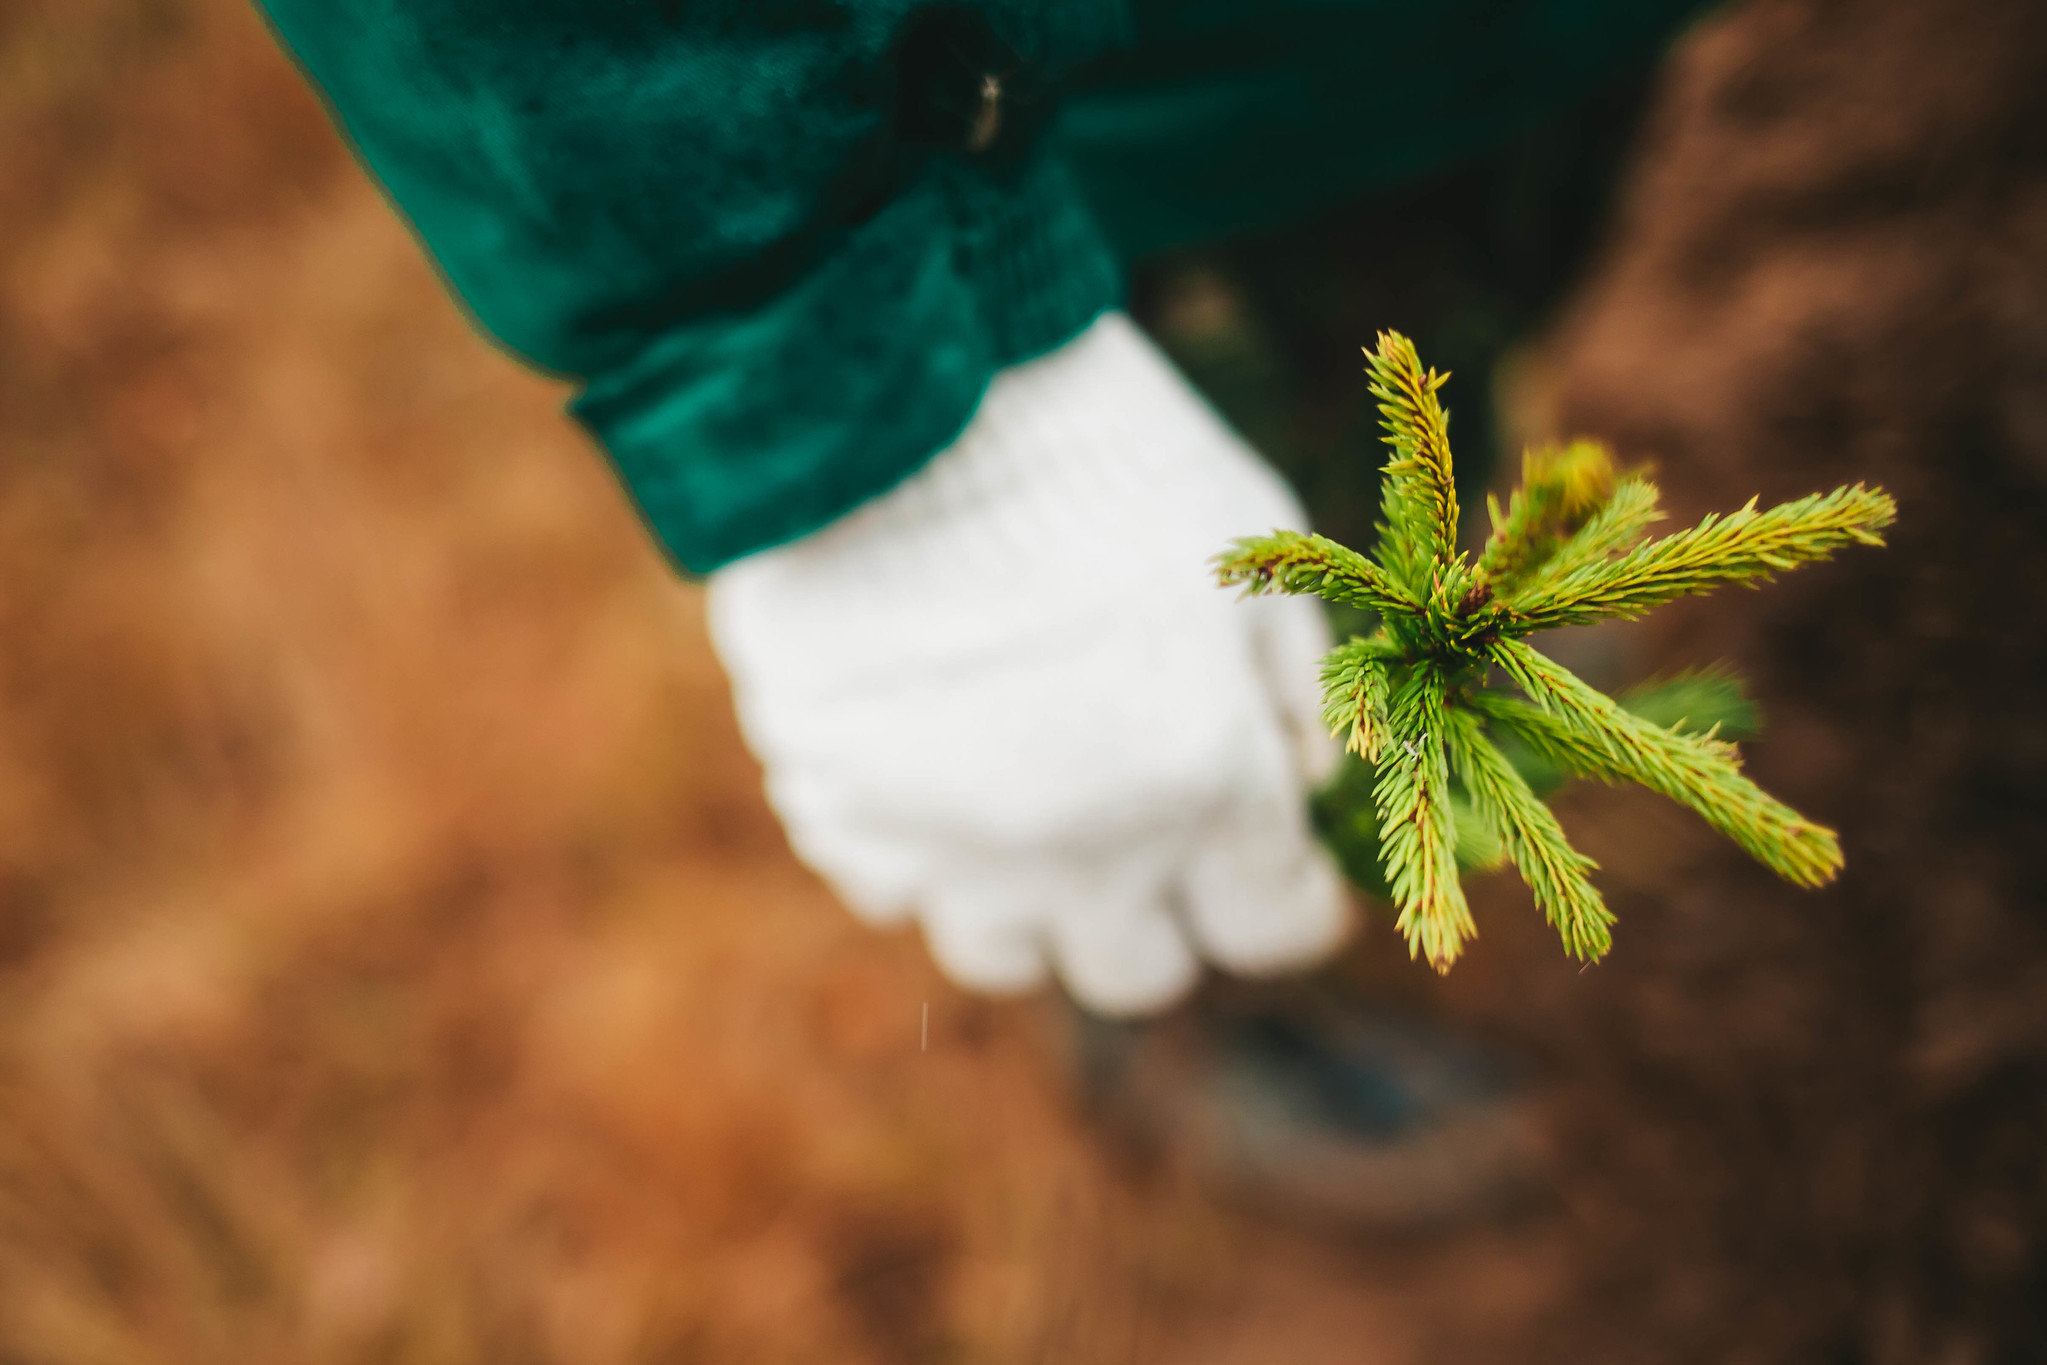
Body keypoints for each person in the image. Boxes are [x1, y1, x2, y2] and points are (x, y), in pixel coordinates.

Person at [255, 0, 1705, 1215]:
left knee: (1432, 349)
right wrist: (858, 371)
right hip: (1127, 107)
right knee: (1146, 653)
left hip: (1479, 52)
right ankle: (1178, 1019)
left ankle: (1413, 647)